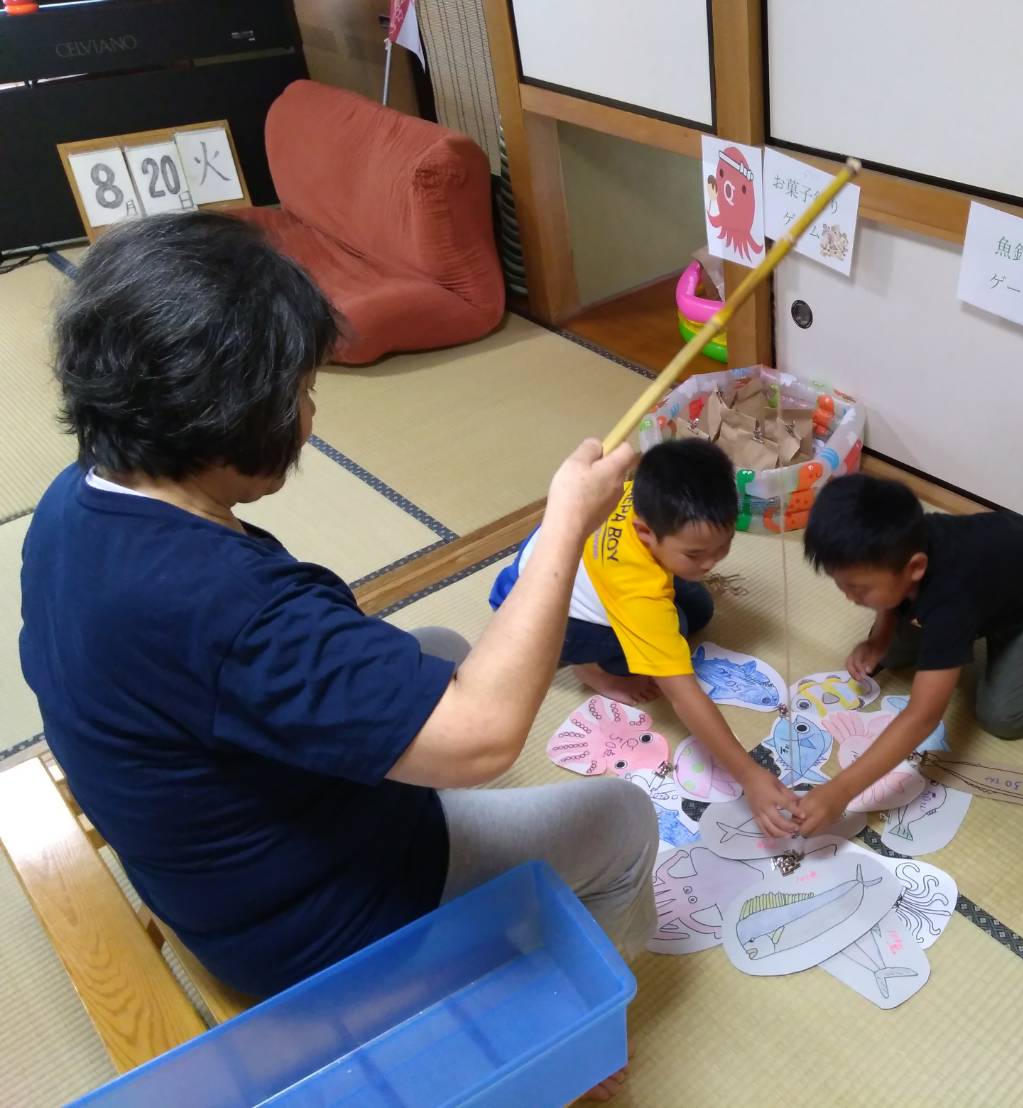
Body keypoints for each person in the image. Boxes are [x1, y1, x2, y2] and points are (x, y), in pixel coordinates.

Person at [19, 213, 657, 1082]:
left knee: (432, 643)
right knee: (622, 819)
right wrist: (564, 527)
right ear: (222, 420)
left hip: (210, 849)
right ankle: (562, 1033)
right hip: (310, 932)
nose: (309, 413)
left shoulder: (77, 497)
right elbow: (485, 736)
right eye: (296, 394)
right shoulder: (227, 605)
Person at [490, 439, 800, 837]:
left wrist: (689, 561)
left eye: (723, 547)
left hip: (565, 564)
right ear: (645, 532)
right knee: (674, 637)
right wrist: (749, 775)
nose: (710, 563)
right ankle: (591, 671)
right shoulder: (640, 596)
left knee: (699, 610)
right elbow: (683, 695)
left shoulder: (638, 488)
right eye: (695, 554)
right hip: (544, 612)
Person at [794, 473, 1023, 835]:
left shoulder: (950, 599)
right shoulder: (903, 542)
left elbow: (921, 717)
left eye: (860, 589)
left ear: (914, 568)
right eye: (842, 585)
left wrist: (839, 792)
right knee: (888, 654)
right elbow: (891, 599)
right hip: (995, 584)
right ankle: (968, 626)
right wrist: (880, 637)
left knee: (1003, 715)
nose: (850, 597)